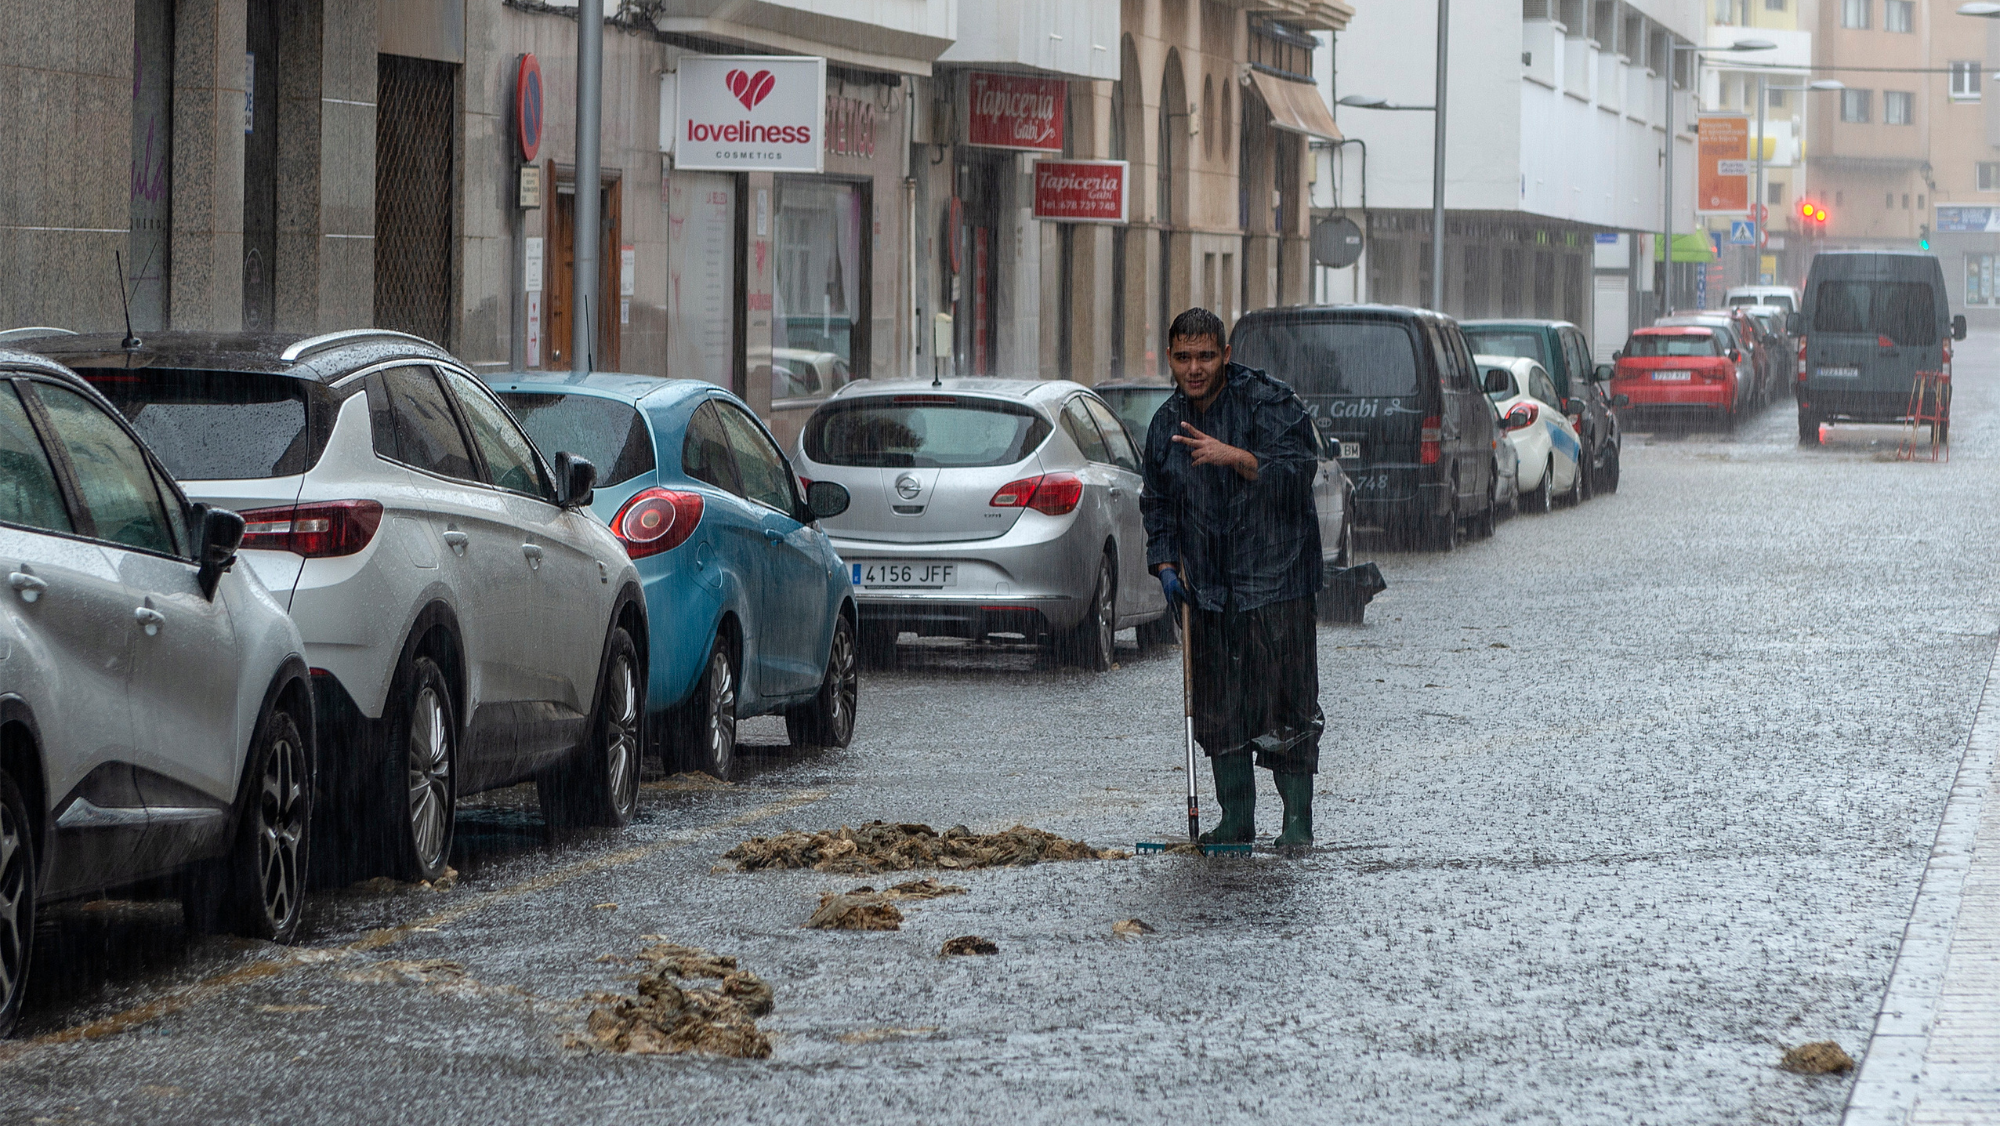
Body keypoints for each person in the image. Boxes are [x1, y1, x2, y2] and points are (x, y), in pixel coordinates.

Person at [1140, 308, 1325, 849]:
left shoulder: (1269, 401)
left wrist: (1236, 456)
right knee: (1220, 707)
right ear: (1171, 359)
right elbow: (1157, 503)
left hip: (1277, 579)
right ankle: (1235, 818)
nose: (1194, 368)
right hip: (1209, 590)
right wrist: (1166, 563)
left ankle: (1297, 821)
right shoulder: (1165, 425)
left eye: (1205, 356)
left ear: (1225, 354)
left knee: (1284, 702)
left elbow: (1297, 474)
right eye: (1183, 357)